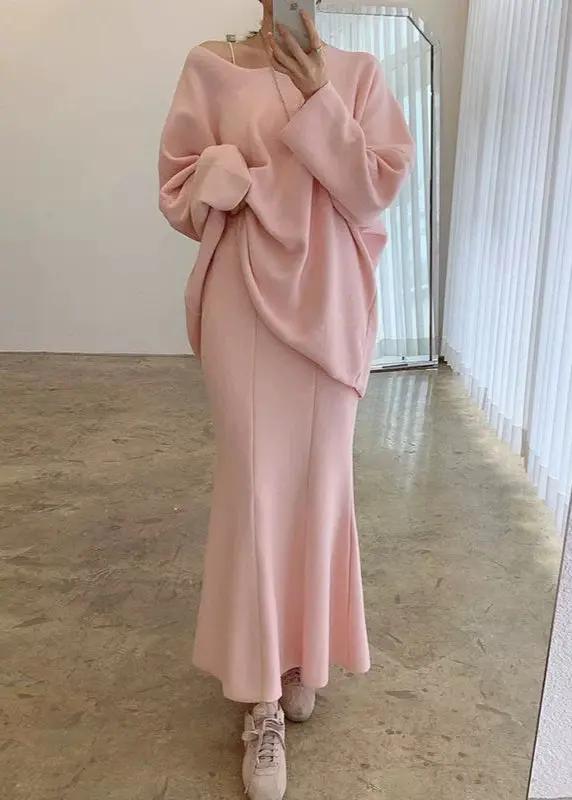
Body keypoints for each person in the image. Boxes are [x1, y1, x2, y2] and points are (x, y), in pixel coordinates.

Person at [158, 1, 414, 797]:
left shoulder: (358, 74)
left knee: (319, 485)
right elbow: (178, 191)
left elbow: (372, 192)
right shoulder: (211, 65)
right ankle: (261, 700)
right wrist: (217, 175)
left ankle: (301, 654)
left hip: (329, 309)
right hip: (243, 301)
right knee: (254, 490)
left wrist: (317, 98)